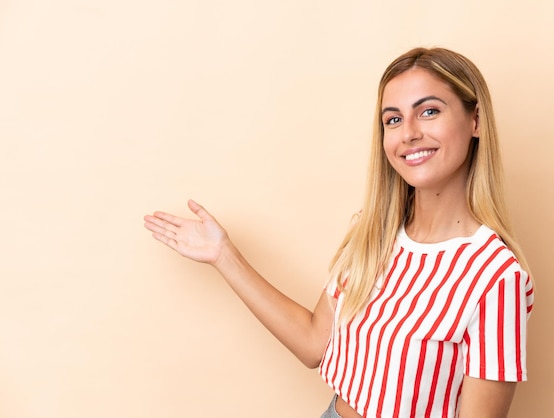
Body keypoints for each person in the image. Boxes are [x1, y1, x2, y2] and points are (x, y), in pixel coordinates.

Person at [143, 47, 534, 418]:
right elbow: (315, 342)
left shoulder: (497, 278)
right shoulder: (374, 232)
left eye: (429, 111)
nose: (408, 133)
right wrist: (223, 255)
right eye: (393, 120)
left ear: (475, 121)